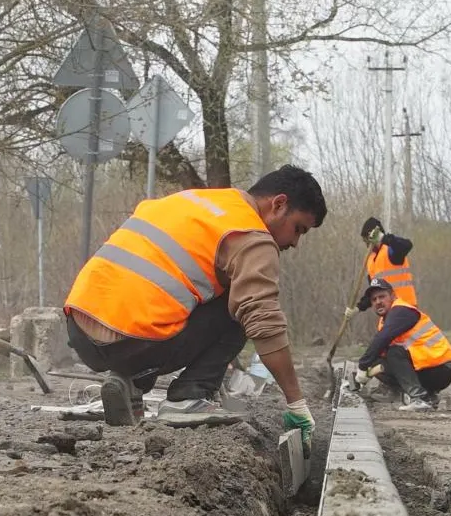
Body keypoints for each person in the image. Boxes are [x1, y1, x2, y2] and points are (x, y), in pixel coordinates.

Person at [63, 165, 325, 441]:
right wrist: (296, 403)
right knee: (246, 305)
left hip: (80, 332)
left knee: (204, 291)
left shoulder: (191, 201)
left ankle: (130, 384)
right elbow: (265, 325)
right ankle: (189, 397)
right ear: (279, 204)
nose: (294, 242)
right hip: (131, 342)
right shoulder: (252, 236)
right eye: (298, 229)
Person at [354, 276, 451, 411]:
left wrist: (362, 366)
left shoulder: (401, 311)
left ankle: (419, 398)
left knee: (393, 353)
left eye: (382, 297)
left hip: (440, 367)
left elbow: (382, 339)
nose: (378, 302)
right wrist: (365, 374)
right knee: (377, 360)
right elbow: (379, 351)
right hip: (427, 367)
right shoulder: (385, 320)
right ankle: (427, 397)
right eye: (374, 300)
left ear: (392, 296)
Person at [347, 217, 417, 318]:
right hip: (388, 313)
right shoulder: (371, 261)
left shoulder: (391, 251)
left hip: (404, 309)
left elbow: (407, 245)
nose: (366, 244)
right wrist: (357, 309)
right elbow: (373, 292)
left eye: (367, 240)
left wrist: (384, 238)